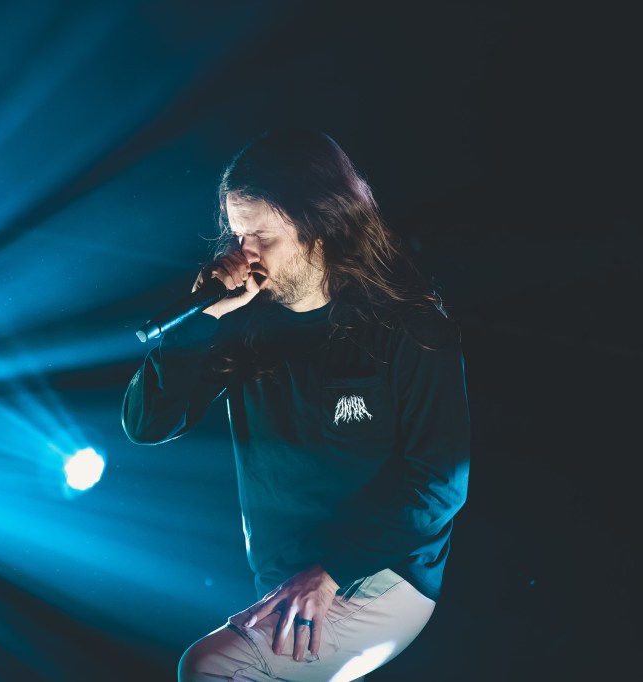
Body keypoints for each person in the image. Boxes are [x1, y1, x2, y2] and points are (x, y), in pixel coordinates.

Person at [122, 129, 470, 682]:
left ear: (321, 227)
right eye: (238, 235)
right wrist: (201, 319)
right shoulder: (241, 323)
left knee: (212, 668)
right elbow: (147, 424)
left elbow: (439, 480)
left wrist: (330, 571)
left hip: (380, 572)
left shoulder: (406, 325)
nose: (245, 254)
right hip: (287, 580)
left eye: (262, 236)